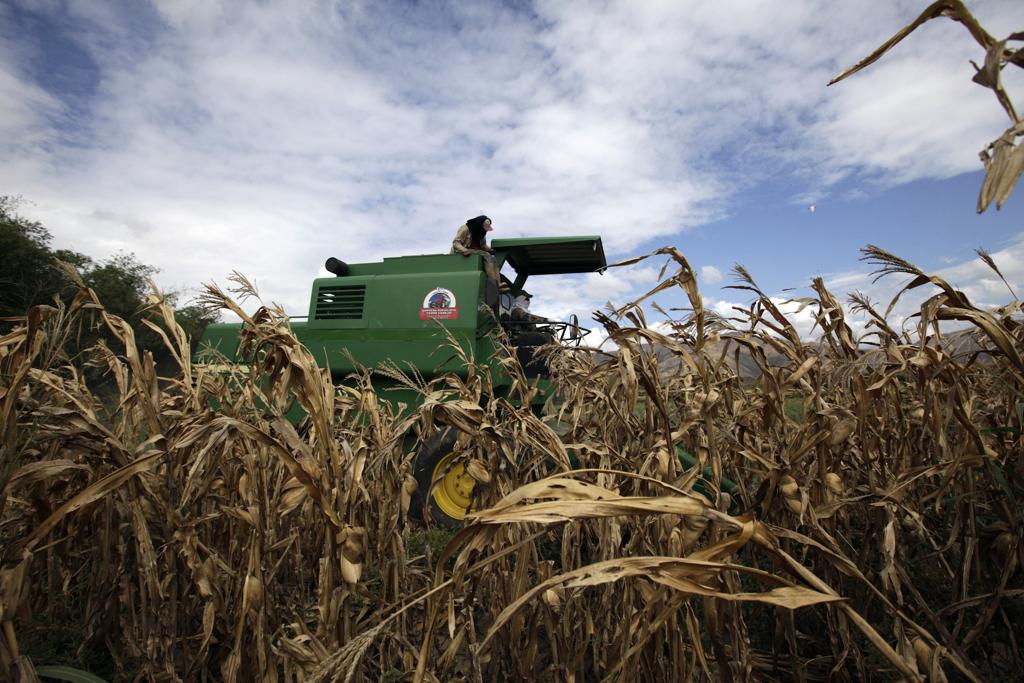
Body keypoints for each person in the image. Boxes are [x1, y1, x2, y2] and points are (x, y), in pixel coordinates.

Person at [451, 215, 501, 284]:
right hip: (461, 253)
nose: (485, 230)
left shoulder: (481, 233)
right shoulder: (465, 229)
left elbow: (483, 245)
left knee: (493, 258)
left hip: (474, 253)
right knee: (486, 254)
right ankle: (494, 283)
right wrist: (464, 250)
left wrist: (490, 250)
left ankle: (499, 284)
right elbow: (456, 243)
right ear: (479, 225)